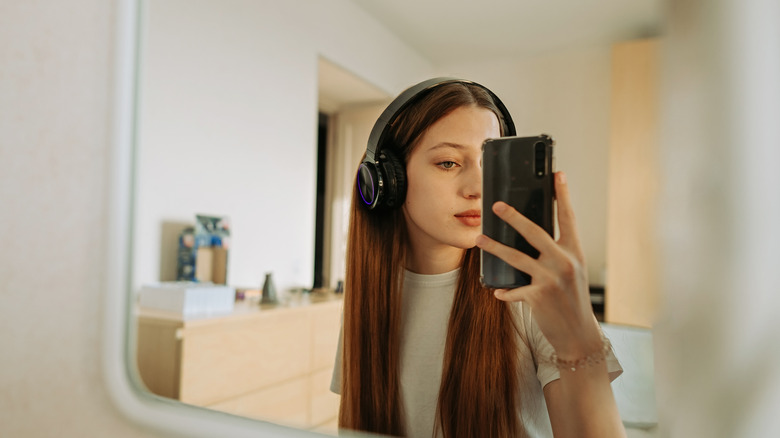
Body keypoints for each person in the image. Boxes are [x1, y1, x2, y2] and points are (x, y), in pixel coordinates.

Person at [330, 78, 625, 438]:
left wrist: (577, 335)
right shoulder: (370, 296)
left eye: (489, 163)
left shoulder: (529, 294)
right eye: (450, 162)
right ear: (388, 181)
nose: (477, 188)